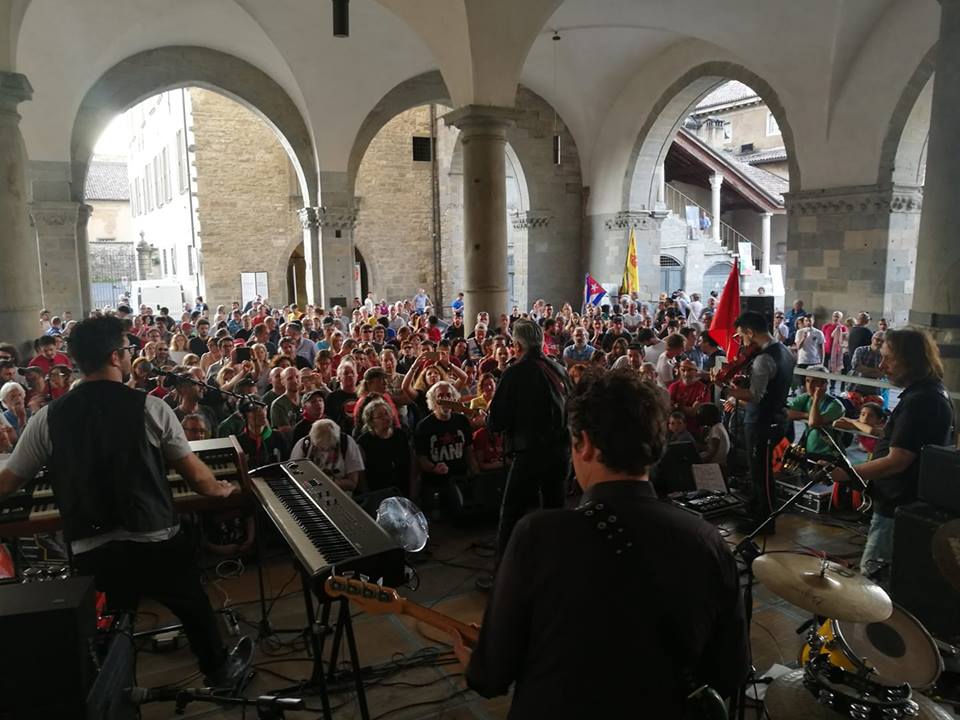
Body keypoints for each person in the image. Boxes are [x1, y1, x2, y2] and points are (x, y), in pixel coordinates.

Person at [454, 368, 748, 717]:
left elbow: (491, 676)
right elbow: (731, 672)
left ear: (587, 445)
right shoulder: (707, 540)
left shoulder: (538, 536)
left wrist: (475, 658)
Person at [0, 316, 252, 688]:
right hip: (155, 538)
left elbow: (7, 482)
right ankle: (219, 673)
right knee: (194, 605)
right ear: (117, 356)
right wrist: (224, 490)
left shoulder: (48, 419)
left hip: (92, 546)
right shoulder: (150, 408)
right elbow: (200, 480)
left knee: (106, 630)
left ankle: (110, 694)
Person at [831, 329, 953, 579]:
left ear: (912, 360)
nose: (882, 365)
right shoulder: (927, 392)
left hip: (898, 503)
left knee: (875, 579)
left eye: (889, 358)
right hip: (898, 500)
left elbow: (897, 461)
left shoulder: (921, 400)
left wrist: (845, 473)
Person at [486, 319, 570, 567]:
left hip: (530, 454)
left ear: (516, 345)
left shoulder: (514, 372)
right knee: (555, 511)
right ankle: (554, 565)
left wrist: (490, 419)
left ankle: (504, 571)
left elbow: (497, 422)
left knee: (512, 514)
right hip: (561, 453)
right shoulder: (558, 368)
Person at [721, 311, 795, 526]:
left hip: (762, 421)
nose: (741, 342)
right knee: (759, 470)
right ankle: (756, 509)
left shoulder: (763, 358)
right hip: (777, 417)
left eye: (741, 336)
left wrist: (727, 390)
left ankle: (764, 520)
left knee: (760, 472)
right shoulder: (784, 350)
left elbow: (755, 395)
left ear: (750, 332)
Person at [355, 399, 413, 496]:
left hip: (402, 488)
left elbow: (411, 462)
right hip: (377, 491)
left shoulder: (401, 435)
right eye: (380, 416)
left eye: (387, 413)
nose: (385, 418)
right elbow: (361, 474)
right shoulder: (364, 441)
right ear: (371, 421)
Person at [785, 365, 845, 458]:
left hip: (830, 454)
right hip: (809, 450)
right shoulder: (805, 398)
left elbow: (813, 422)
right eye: (807, 381)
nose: (809, 385)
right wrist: (807, 415)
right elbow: (786, 413)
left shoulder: (835, 405)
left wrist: (816, 399)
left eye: (814, 382)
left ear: (824, 384)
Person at [290, 418, 364, 492]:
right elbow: (293, 476)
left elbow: (352, 484)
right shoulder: (304, 444)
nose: (325, 452)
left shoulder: (347, 443)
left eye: (330, 448)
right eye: (320, 448)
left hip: (339, 493)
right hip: (309, 492)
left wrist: (325, 483)